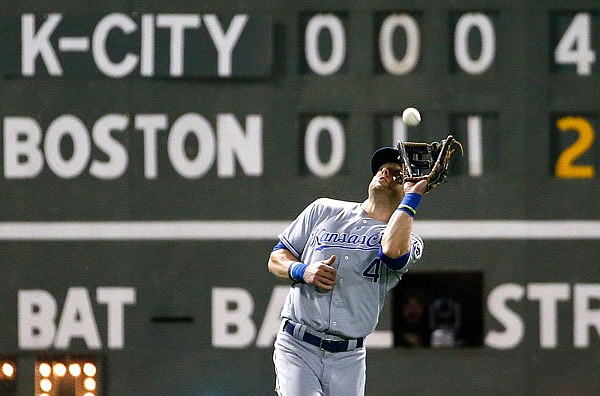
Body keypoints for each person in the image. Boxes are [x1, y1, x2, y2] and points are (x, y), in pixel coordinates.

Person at [268, 146, 428, 396]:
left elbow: (391, 252)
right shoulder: (324, 210)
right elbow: (276, 258)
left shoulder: (409, 241)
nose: (385, 171)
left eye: (397, 173)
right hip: (298, 345)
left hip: (348, 358)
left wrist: (414, 195)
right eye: (382, 168)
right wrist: (303, 270)